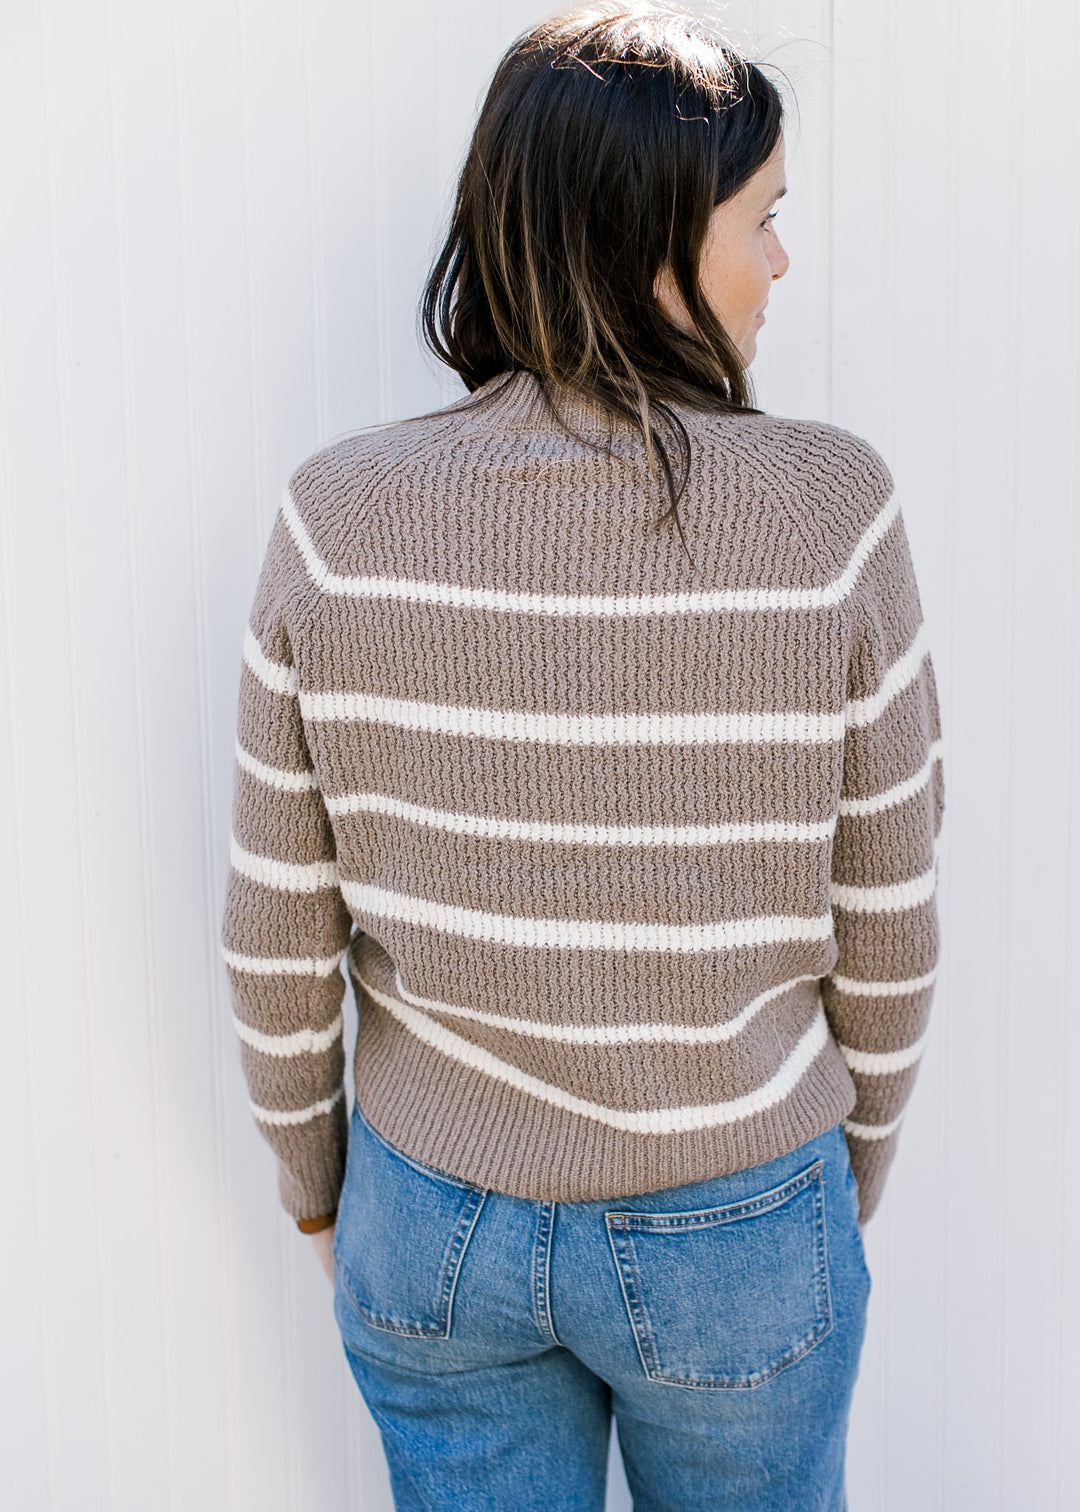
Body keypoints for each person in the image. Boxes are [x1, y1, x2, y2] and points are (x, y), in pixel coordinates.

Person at [220, 5, 944, 1508]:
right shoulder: (830, 516)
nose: (781, 265)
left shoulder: (335, 520)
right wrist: (833, 1178)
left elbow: (275, 933)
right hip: (739, 1217)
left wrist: (317, 1193)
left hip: (433, 1219)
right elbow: (888, 922)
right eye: (764, 220)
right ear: (659, 246)